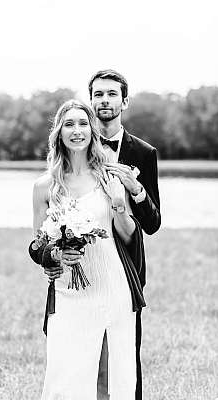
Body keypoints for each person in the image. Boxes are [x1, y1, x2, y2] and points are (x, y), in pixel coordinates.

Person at [29, 99, 146, 399]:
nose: (76, 130)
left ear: (92, 131)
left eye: (83, 124)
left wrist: (119, 203)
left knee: (112, 375)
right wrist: (54, 255)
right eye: (69, 124)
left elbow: (129, 236)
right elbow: (37, 244)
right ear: (59, 133)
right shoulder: (45, 186)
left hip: (111, 285)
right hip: (68, 291)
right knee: (66, 373)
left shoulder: (109, 177)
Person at [88, 69, 161, 399]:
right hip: (86, 265)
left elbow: (153, 223)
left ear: (124, 101)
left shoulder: (144, 154)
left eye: (111, 94)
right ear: (91, 101)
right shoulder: (78, 147)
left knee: (126, 354)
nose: (104, 100)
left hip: (127, 267)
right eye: (98, 94)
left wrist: (137, 189)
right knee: (86, 354)